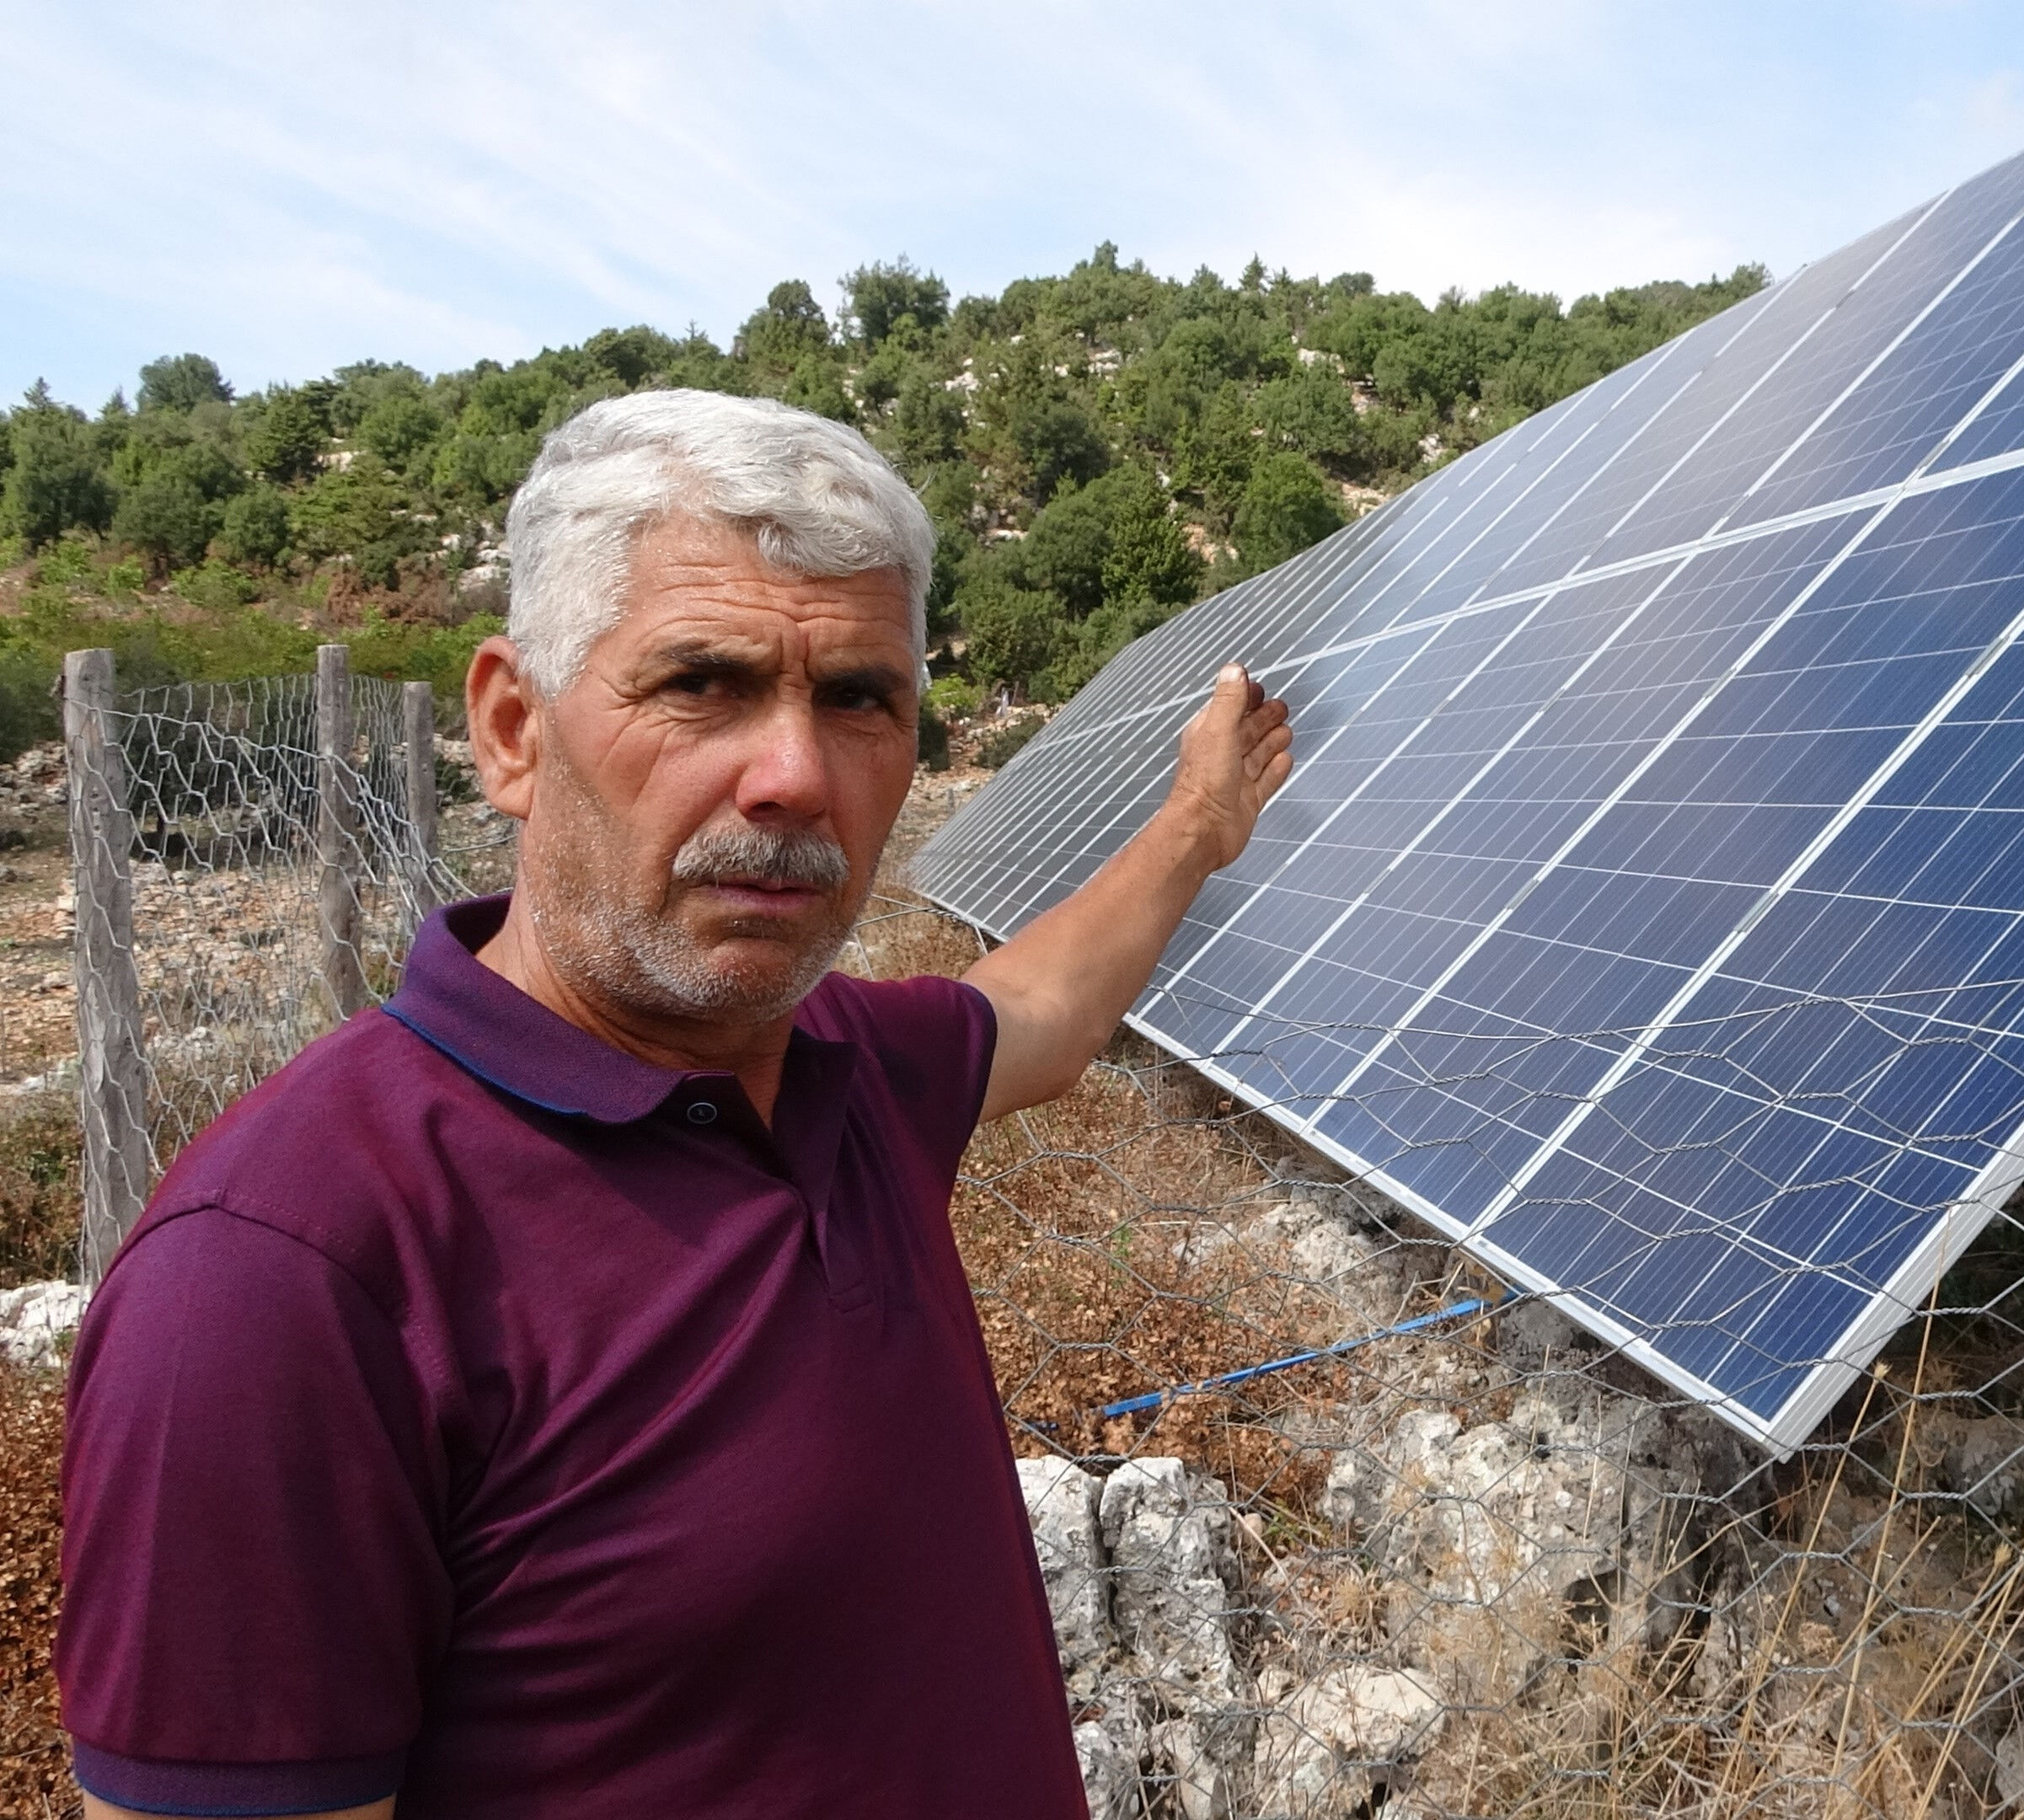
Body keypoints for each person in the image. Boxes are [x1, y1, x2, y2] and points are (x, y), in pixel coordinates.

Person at [55, 389, 1292, 1819]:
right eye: (700, 683)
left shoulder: (851, 1069)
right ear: (513, 730)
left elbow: (1043, 1014)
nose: (795, 778)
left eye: (858, 700)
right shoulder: (281, 1277)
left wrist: (1200, 827)